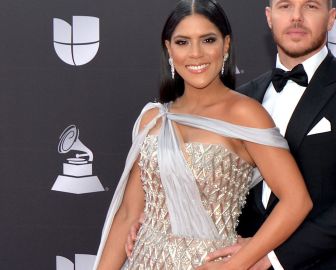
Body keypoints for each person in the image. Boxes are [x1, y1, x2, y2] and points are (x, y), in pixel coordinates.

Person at [127, 0, 336, 269]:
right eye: (285, 6)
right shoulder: (244, 98)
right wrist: (158, 220)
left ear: (331, 18)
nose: (296, 17)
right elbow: (212, 188)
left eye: (311, 6)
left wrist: (273, 255)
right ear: (269, 17)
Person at [93, 0, 312, 269]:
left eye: (208, 40)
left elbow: (296, 201)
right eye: (183, 42)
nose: (195, 53)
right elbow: (128, 214)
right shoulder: (153, 119)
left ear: (226, 44)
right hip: (143, 261)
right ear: (168, 49)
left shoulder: (245, 114)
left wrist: (236, 264)